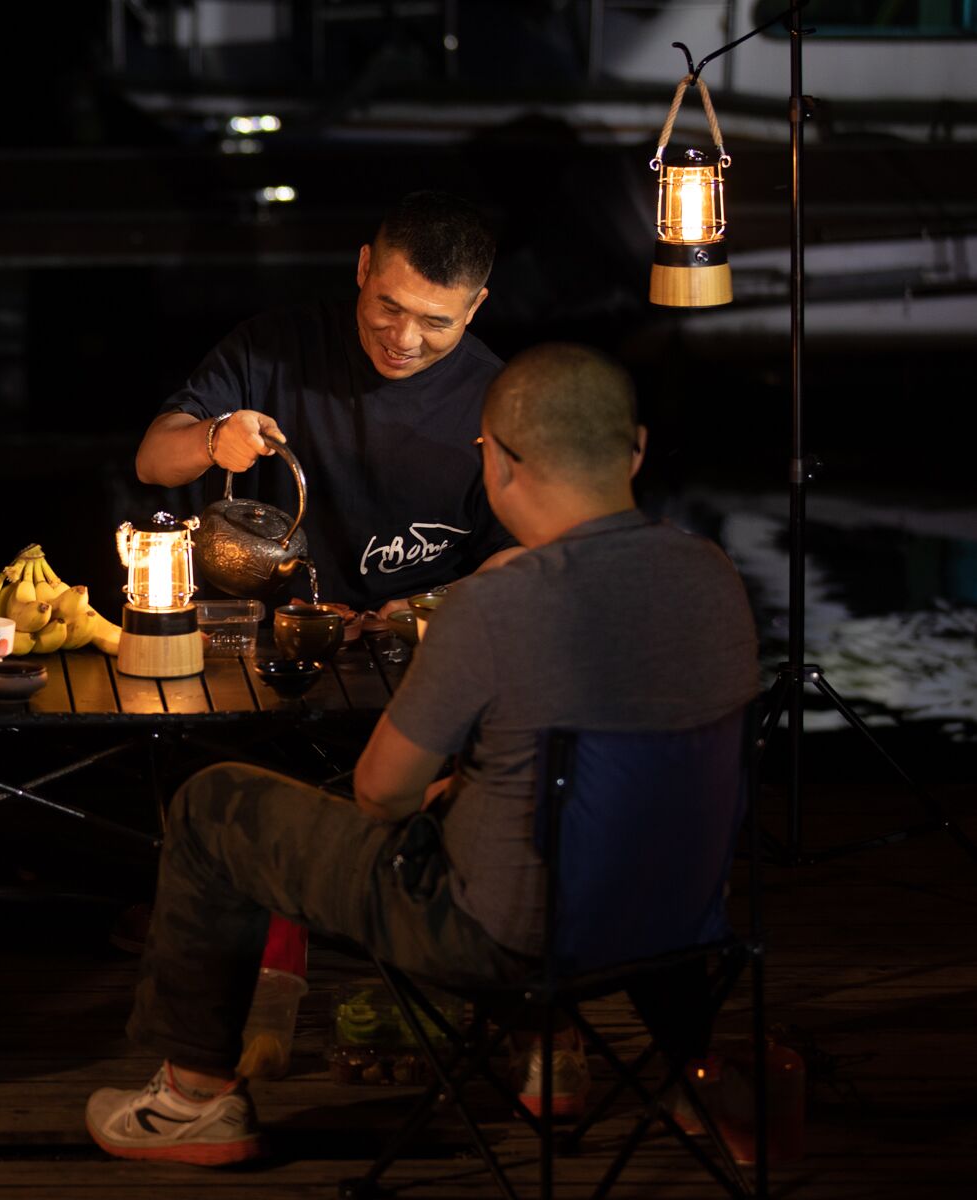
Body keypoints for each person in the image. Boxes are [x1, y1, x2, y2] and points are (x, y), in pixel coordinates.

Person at [86, 343, 758, 1165]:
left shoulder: (497, 603)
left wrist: (448, 786)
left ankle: (194, 1100)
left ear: (499, 464)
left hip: (507, 941)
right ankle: (684, 1072)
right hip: (678, 926)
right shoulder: (713, 575)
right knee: (575, 821)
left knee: (212, 805)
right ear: (637, 450)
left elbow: (380, 795)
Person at [136, 190, 526, 615]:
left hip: (425, 645)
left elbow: (524, 554)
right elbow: (152, 461)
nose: (403, 339)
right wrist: (213, 438)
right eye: (389, 307)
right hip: (263, 633)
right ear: (363, 268)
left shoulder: (500, 399)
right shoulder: (271, 347)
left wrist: (430, 608)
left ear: (474, 307)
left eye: (436, 322)